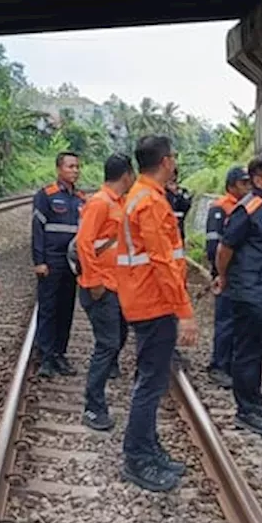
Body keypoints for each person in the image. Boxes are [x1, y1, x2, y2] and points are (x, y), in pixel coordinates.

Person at [118, 135, 198, 492]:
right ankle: (137, 458)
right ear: (166, 161)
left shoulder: (144, 196)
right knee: (150, 383)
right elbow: (163, 261)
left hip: (148, 299)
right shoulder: (149, 202)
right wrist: (184, 312)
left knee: (152, 379)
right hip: (153, 302)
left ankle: (149, 449)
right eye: (174, 157)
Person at [214, 152, 262, 436]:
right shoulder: (249, 209)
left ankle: (256, 405)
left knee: (258, 351)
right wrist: (223, 277)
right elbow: (225, 248)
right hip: (249, 293)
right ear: (258, 180)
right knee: (246, 352)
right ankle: (245, 410)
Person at [73, 152, 134, 431]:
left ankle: (107, 370)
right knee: (107, 343)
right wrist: (94, 281)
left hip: (117, 285)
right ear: (126, 176)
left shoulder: (119, 202)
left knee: (118, 336)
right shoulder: (99, 203)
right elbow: (85, 243)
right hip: (101, 287)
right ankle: (93, 406)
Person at [32, 151, 85, 378]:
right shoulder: (46, 195)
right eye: (70, 166)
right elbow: (37, 230)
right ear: (59, 169)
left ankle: (59, 354)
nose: (74, 171)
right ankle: (45, 357)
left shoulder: (81, 199)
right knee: (48, 309)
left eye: (77, 167)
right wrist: (39, 261)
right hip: (51, 262)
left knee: (66, 309)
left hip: (71, 264)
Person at [205, 166, 251, 390]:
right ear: (231, 186)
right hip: (226, 274)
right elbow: (213, 243)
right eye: (244, 183)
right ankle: (218, 366)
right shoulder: (220, 208)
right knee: (225, 321)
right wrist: (218, 272)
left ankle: (231, 366)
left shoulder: (245, 208)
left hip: (240, 275)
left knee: (237, 323)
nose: (248, 187)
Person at [165, 173, 193, 242]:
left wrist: (177, 195)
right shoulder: (162, 193)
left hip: (179, 226)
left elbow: (187, 206)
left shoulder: (182, 192)